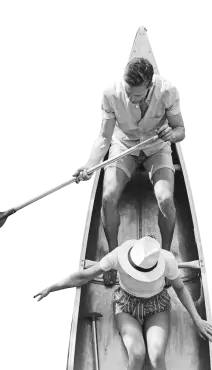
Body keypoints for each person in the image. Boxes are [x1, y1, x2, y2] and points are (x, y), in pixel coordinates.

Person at [35, 235, 212, 370]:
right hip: (126, 305)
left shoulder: (166, 259)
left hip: (157, 306)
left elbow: (180, 288)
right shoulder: (118, 255)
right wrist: (55, 286)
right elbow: (84, 275)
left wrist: (197, 320)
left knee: (156, 354)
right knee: (137, 353)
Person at [74, 57, 187, 286]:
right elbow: (105, 138)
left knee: (166, 199)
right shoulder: (110, 93)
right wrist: (89, 165)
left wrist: (172, 134)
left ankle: (166, 258)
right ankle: (112, 258)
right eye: (128, 93)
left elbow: (181, 131)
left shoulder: (168, 91)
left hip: (157, 147)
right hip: (124, 146)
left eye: (137, 95)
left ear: (150, 86)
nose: (131, 99)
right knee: (108, 197)